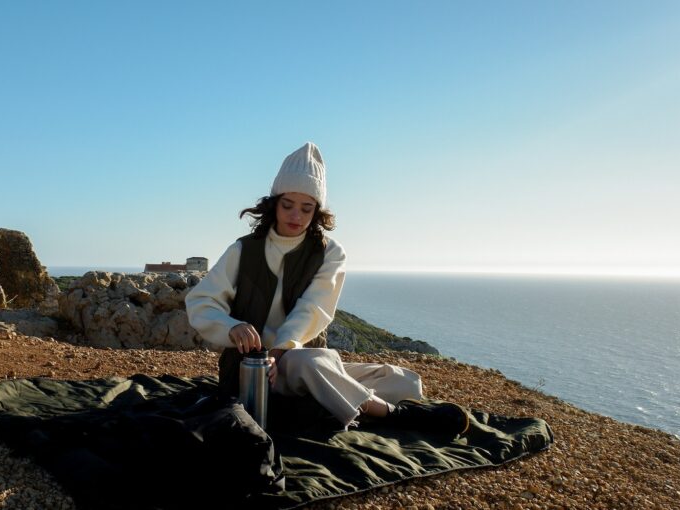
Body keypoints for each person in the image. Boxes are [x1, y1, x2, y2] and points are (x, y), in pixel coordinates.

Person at [185, 142, 469, 436]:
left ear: (317, 210)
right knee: (312, 363)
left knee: (400, 380)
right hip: (252, 372)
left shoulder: (330, 253)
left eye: (306, 208)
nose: (295, 216)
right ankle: (394, 414)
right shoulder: (243, 250)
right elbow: (201, 301)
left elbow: (313, 309)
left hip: (297, 360)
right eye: (287, 205)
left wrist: (279, 353)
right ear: (274, 203)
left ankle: (348, 393)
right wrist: (232, 326)